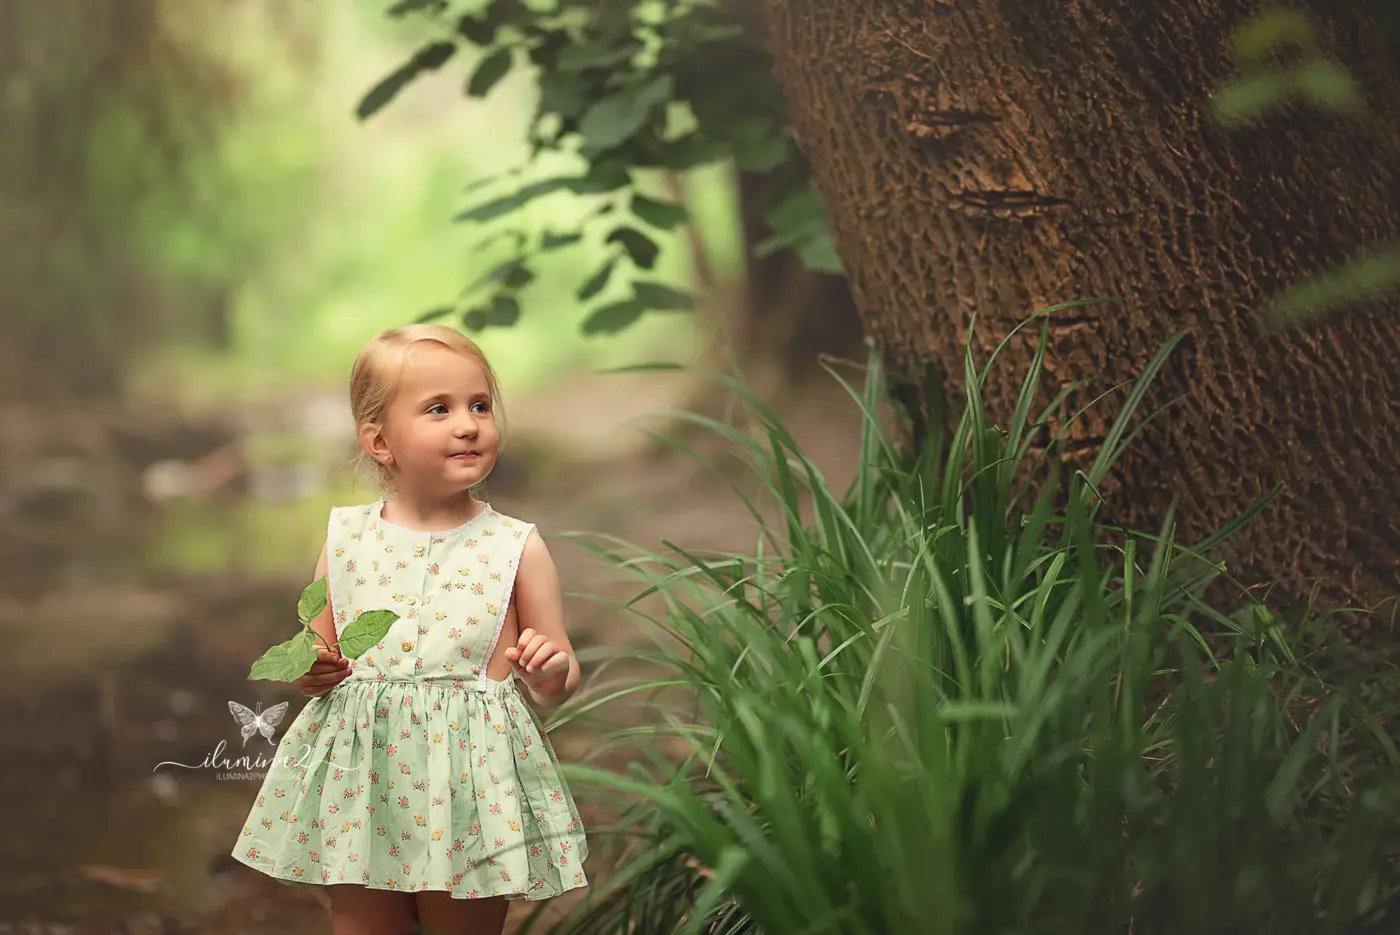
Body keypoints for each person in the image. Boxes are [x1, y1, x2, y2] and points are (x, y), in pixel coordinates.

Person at [230, 324, 589, 935]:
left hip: (473, 779)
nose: (468, 424)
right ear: (380, 441)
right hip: (365, 779)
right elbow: (320, 655)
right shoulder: (346, 538)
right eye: (438, 409)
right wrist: (313, 670)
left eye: (479, 405)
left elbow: (559, 677)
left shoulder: (515, 547)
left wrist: (551, 669)